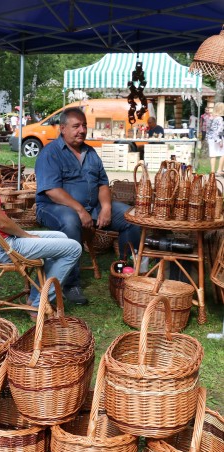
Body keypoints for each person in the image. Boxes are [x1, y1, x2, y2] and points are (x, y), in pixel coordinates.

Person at [0, 124, 82, 318]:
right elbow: (2, 222)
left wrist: (26, 236)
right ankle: (40, 304)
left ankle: (35, 297)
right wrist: (26, 235)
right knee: (74, 248)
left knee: (61, 236)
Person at [34, 107, 140, 305]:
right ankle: (70, 284)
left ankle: (124, 272)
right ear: (63, 129)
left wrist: (106, 207)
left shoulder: (90, 153)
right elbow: (52, 191)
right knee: (70, 220)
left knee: (131, 216)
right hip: (52, 208)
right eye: (76, 126)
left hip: (92, 208)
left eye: (84, 126)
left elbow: (102, 183)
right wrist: (80, 210)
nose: (81, 130)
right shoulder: (51, 153)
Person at [206, 101, 224, 176]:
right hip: (217, 137)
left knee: (212, 154)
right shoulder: (220, 118)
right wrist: (220, 140)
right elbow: (220, 130)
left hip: (210, 138)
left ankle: (212, 172)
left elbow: (208, 128)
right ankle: (219, 170)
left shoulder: (210, 117)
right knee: (223, 153)